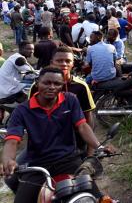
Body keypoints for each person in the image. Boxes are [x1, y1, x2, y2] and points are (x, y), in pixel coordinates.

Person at [0, 67, 114, 202]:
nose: (52, 87)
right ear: (37, 82)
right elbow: (12, 140)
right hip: (38, 165)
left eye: (57, 84)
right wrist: (8, 160)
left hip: (69, 160)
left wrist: (99, 147)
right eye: (46, 83)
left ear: (63, 85)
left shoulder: (70, 100)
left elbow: (82, 126)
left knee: (98, 198)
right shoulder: (22, 110)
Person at [29, 46, 96, 154]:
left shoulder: (81, 86)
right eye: (59, 60)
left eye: (68, 61)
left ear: (73, 63)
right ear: (52, 62)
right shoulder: (37, 87)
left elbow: (88, 118)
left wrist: (90, 152)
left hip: (76, 143)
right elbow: (31, 118)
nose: (64, 64)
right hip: (45, 144)